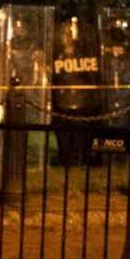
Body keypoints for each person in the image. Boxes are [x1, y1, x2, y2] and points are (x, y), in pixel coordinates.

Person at [51, 14, 105, 167]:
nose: (63, 39)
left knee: (79, 131)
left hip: (81, 99)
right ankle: (66, 156)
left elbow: (92, 75)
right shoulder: (59, 56)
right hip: (62, 99)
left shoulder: (84, 55)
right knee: (63, 130)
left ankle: (77, 157)